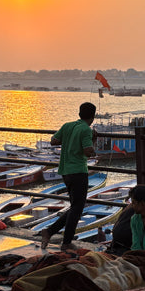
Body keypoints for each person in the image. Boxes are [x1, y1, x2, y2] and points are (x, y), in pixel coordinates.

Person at [40, 102, 97, 251]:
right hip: (78, 171)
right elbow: (87, 151)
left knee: (74, 207)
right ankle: (66, 242)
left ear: (79, 114)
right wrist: (94, 144)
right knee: (77, 208)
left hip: (65, 171)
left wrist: (69, 140)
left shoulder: (67, 126)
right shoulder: (86, 129)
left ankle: (50, 231)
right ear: (93, 116)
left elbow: (54, 141)